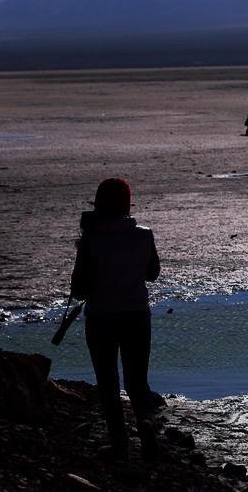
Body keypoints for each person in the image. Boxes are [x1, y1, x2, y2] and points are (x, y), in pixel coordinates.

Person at [71, 178, 161, 461]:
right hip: (136, 315)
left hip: (101, 318)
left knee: (108, 383)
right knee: (137, 382)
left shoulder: (91, 239)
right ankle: (148, 435)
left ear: (98, 204)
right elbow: (152, 274)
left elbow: (79, 289)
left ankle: (119, 444)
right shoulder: (144, 235)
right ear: (127, 203)